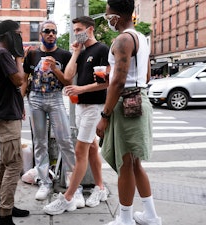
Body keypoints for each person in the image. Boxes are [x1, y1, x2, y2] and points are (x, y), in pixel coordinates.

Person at [96, 0, 162, 224]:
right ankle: (151, 216)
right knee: (134, 163)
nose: (108, 20)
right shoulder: (141, 38)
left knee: (126, 164)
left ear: (118, 16)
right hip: (138, 100)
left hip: (126, 104)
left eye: (108, 16)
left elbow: (118, 82)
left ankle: (124, 220)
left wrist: (104, 117)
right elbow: (146, 76)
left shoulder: (124, 39)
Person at [43, 16, 110, 215]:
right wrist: (75, 52)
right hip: (81, 107)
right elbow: (69, 75)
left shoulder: (102, 50)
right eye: (74, 29)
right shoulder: (81, 51)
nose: (76, 32)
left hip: (94, 106)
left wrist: (80, 89)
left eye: (79, 29)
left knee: (80, 151)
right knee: (90, 148)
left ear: (90, 29)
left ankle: (68, 198)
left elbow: (106, 81)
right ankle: (100, 187)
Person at [21, 20, 75, 201]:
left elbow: (68, 81)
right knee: (40, 143)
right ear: (41, 34)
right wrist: (20, 102)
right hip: (35, 99)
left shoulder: (64, 55)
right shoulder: (33, 54)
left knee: (65, 140)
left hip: (55, 98)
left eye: (53, 31)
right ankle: (45, 182)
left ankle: (71, 179)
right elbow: (24, 78)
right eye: (47, 31)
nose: (51, 34)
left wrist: (54, 67)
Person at [0, 19, 30, 225]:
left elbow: (11, 88)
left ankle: (3, 203)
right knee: (14, 163)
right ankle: (5, 215)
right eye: (18, 34)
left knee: (6, 162)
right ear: (7, 35)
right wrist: (20, 58)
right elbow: (19, 80)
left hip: (7, 112)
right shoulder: (3, 54)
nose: (20, 37)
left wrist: (19, 107)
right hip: (6, 116)